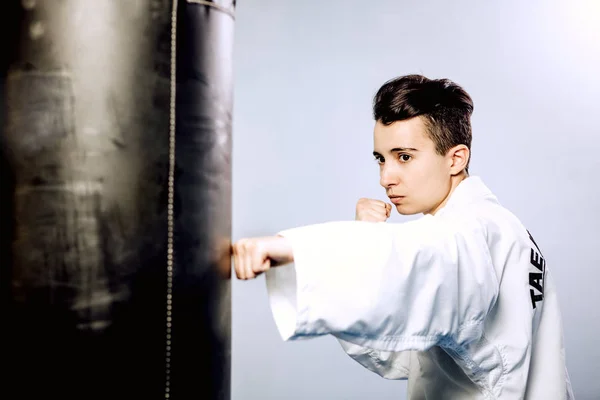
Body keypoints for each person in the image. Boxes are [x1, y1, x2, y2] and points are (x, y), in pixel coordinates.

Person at [231, 74, 574, 399]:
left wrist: (293, 249)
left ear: (455, 159)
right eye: (381, 159)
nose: (386, 178)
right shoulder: (496, 226)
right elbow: (403, 356)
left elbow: (423, 257)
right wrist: (365, 240)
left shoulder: (475, 228)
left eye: (404, 157)